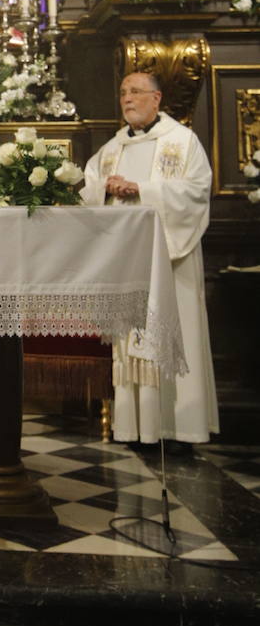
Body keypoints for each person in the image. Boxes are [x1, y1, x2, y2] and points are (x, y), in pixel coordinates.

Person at [81, 72, 218, 451]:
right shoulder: (112, 148)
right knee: (129, 339)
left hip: (171, 262)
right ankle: (134, 428)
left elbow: (196, 192)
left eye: (136, 92)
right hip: (129, 261)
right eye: (123, 92)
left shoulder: (182, 141)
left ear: (156, 99)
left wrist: (141, 189)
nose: (127, 98)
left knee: (176, 332)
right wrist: (105, 188)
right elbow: (87, 188)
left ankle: (179, 429)